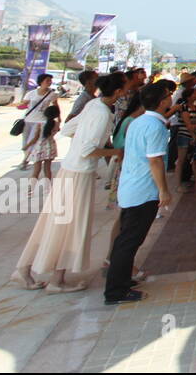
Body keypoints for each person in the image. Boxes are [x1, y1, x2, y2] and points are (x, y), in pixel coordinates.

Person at [13, 73, 122, 292]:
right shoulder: (101, 113)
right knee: (71, 226)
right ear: (118, 91)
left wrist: (84, 139)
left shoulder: (93, 105)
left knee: (54, 222)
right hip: (80, 173)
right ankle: (56, 280)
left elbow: (68, 130)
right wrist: (117, 151)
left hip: (69, 169)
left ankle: (25, 270)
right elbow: (88, 150)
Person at [104, 83, 174, 305]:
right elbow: (155, 161)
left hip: (132, 186)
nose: (170, 98)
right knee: (129, 241)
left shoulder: (139, 122)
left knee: (128, 239)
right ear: (162, 101)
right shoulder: (154, 126)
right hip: (143, 190)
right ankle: (116, 291)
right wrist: (163, 190)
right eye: (168, 96)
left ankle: (122, 280)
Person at [18, 73, 59, 170]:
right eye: (47, 80)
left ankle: (25, 160)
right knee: (26, 141)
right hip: (28, 120)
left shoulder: (52, 94)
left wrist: (58, 118)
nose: (49, 82)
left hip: (41, 121)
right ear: (41, 81)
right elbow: (24, 103)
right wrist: (21, 105)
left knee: (34, 141)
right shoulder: (31, 93)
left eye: (50, 80)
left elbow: (55, 106)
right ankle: (27, 157)